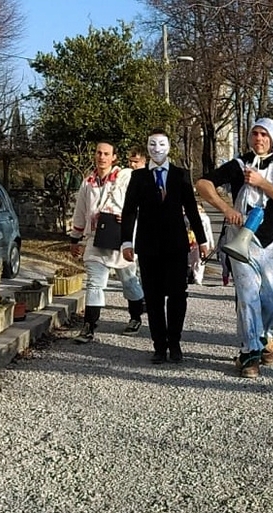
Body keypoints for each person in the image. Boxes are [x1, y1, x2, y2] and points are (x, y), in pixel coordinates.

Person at [196, 118, 273, 378]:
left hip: (271, 244)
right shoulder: (238, 164)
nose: (259, 138)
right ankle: (250, 352)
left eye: (264, 134)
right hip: (240, 242)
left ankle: (268, 337)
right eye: (255, 134)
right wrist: (226, 209)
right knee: (247, 297)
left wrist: (262, 183)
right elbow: (203, 184)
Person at [121, 129, 208, 364]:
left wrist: (202, 240)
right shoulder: (139, 177)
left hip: (176, 245)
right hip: (148, 246)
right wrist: (126, 241)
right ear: (147, 147)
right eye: (152, 144)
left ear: (169, 147)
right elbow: (129, 210)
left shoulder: (181, 175)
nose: (157, 149)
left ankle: (175, 342)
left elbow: (192, 209)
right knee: (154, 297)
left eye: (161, 144)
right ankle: (159, 345)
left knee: (178, 295)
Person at [69, 141, 146, 344]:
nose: (101, 157)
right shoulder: (87, 182)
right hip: (96, 238)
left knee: (129, 281)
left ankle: (136, 317)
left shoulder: (125, 177)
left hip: (121, 238)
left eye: (106, 153)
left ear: (114, 157)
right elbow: (80, 212)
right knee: (94, 283)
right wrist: (75, 238)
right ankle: (89, 326)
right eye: (98, 153)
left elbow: (142, 201)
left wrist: (130, 216)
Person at [186, 203, 215, 285]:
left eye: (199, 209)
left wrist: (211, 242)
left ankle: (198, 278)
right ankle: (191, 274)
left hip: (203, 241)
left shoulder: (205, 218)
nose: (198, 210)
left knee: (200, 260)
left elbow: (208, 231)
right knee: (191, 260)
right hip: (191, 240)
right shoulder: (187, 217)